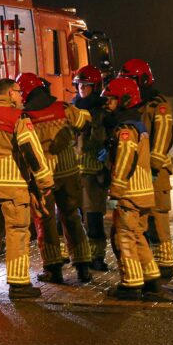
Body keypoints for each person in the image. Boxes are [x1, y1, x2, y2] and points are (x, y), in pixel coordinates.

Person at [0, 78, 54, 299]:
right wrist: (44, 182)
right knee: (16, 233)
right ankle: (18, 285)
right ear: (9, 94)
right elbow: (31, 151)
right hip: (13, 187)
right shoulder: (18, 118)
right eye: (18, 92)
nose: (21, 96)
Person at [15, 72, 94, 284]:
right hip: (68, 173)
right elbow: (85, 122)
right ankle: (83, 266)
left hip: (43, 178)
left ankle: (53, 269)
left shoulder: (26, 116)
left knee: (45, 221)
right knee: (72, 217)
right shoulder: (63, 108)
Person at [100, 77, 162, 299]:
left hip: (129, 193)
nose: (107, 103)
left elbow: (126, 158)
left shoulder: (125, 128)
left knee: (124, 237)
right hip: (143, 192)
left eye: (111, 99)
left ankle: (131, 283)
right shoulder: (138, 124)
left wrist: (115, 192)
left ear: (125, 99)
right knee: (138, 236)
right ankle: (151, 278)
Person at [120, 59, 173, 280]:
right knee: (143, 219)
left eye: (132, 80)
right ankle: (149, 263)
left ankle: (166, 264)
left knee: (158, 216)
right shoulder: (135, 105)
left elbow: (162, 140)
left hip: (157, 170)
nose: (128, 84)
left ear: (143, 80)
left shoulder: (157, 105)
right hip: (140, 171)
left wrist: (153, 167)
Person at [72, 65, 111, 271]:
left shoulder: (103, 112)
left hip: (94, 172)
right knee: (73, 217)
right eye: (79, 85)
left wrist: (107, 151)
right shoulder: (73, 109)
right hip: (74, 172)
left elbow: (107, 137)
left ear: (94, 87)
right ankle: (80, 255)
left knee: (94, 216)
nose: (81, 89)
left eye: (86, 85)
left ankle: (97, 256)